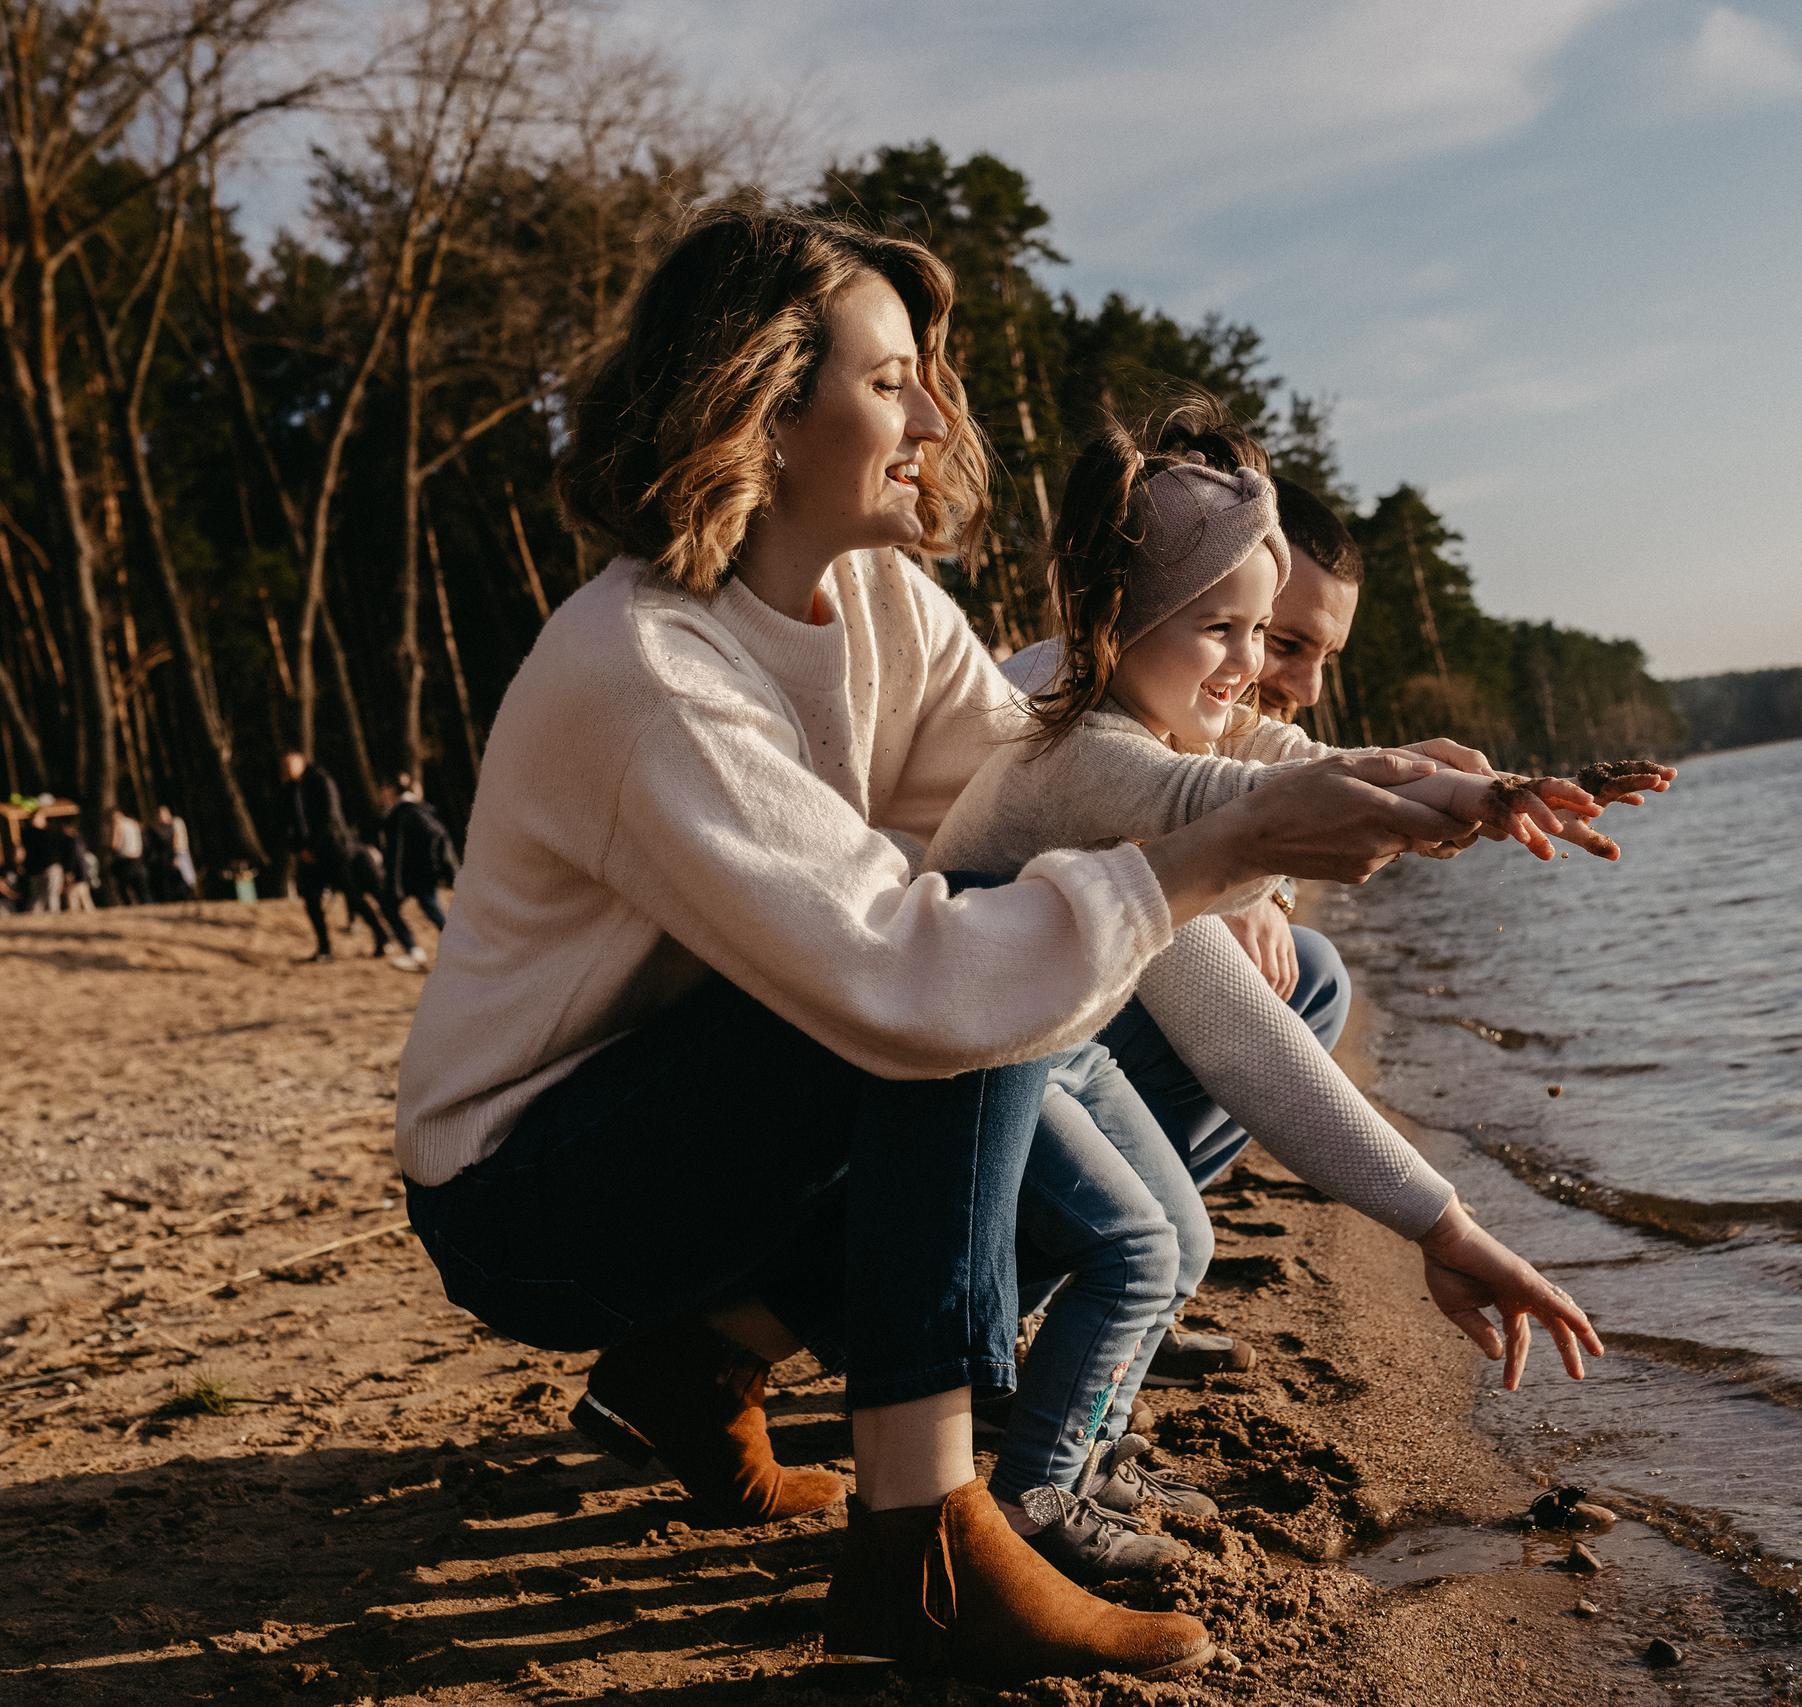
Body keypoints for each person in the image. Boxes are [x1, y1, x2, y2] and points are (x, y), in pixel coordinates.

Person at [391, 205, 1473, 1683]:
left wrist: (1322, 792)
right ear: (760, 405)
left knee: (1002, 937)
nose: (941, 413)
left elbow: (1071, 783)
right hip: (533, 1192)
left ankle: (715, 1362)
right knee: (960, 959)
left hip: (712, 1122)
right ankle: (928, 1537)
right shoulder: (643, 670)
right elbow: (925, 973)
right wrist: (1227, 845)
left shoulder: (882, 600)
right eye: (893, 377)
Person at [931, 414, 1614, 1572]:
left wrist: (1485, 792)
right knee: (1139, 1251)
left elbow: (1290, 770)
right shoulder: (1088, 759)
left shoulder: (1143, 731)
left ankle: (1079, 1451)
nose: (1251, 667)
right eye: (1223, 629)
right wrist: (1439, 1223)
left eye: (1261, 630)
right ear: (1115, 616)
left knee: (1178, 1241)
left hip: (1046, 1047)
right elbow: (1254, 826)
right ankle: (1038, 1498)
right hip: (964, 1071)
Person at [281, 751, 397, 964]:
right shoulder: (289, 791)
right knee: (312, 901)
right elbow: (288, 824)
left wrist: (313, 848)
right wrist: (299, 850)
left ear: (302, 763)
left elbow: (330, 818)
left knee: (353, 896)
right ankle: (324, 949)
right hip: (308, 856)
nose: (286, 769)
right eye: (284, 765)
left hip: (333, 850)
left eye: (290, 764)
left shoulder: (320, 781)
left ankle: (383, 936)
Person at [377, 776, 458, 951]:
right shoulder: (423, 810)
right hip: (424, 872)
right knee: (432, 909)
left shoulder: (401, 814)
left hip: (415, 873)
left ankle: (414, 950)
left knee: (391, 906)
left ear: (391, 789)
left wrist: (394, 882)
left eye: (383, 788)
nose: (381, 793)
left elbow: (396, 852)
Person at [146, 804, 196, 900]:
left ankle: (188, 896)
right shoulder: (167, 826)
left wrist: (175, 856)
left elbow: (175, 839)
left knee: (184, 876)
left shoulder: (175, 822)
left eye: (161, 814)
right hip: (179, 852)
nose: (160, 817)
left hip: (179, 852)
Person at [103, 806, 151, 907]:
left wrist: (108, 850)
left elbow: (114, 845)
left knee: (122, 886)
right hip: (138, 857)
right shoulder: (133, 823)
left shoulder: (118, 823)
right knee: (141, 886)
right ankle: (147, 905)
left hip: (125, 859)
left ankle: (128, 904)